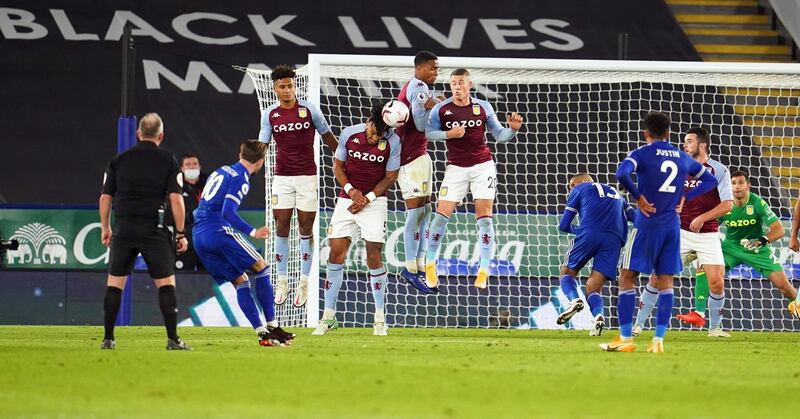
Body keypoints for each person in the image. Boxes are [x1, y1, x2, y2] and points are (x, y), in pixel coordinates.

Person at [601, 112, 717, 353]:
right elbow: (709, 181)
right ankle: (658, 341)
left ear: (646, 133)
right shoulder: (681, 156)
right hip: (672, 227)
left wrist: (639, 198)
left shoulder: (641, 153)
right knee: (666, 282)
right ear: (669, 133)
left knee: (627, 276)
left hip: (647, 224)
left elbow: (622, 173)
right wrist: (685, 196)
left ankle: (625, 339)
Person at [424, 68, 523, 290]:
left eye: (461, 83)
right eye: (453, 83)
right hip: (455, 169)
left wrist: (513, 130)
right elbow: (429, 133)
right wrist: (448, 135)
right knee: (440, 217)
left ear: (470, 85)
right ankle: (430, 264)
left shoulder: (483, 107)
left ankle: (484, 269)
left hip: (482, 167)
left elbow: (500, 136)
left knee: (485, 219)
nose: (456, 87)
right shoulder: (442, 109)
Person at [99, 112, 191, 350]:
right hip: (153, 229)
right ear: (161, 135)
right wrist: (180, 233)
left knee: (114, 283)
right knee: (166, 284)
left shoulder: (118, 160)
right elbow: (176, 200)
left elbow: (105, 197)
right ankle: (173, 339)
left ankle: (108, 339)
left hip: (124, 228)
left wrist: (106, 227)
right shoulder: (168, 160)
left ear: (138, 134)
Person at [192, 140, 296, 347]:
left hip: (198, 235)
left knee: (241, 281)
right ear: (260, 161)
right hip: (218, 230)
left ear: (241, 153)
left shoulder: (221, 171)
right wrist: (253, 231)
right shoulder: (242, 178)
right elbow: (227, 212)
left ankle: (262, 333)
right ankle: (273, 326)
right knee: (262, 267)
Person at [632, 127, 733, 337]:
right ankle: (638, 325)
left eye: (689, 141)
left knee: (716, 282)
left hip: (708, 234)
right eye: (684, 141)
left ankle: (715, 329)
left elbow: (727, 205)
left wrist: (703, 218)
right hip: (679, 232)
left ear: (702, 145)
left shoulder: (719, 170)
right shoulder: (678, 167)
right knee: (657, 277)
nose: (684, 145)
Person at [312, 103, 401, 336]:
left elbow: (391, 176)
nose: (373, 139)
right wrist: (352, 192)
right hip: (347, 198)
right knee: (335, 253)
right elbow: (338, 167)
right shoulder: (349, 133)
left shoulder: (393, 141)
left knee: (374, 255)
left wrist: (368, 198)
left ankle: (380, 319)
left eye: (379, 136)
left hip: (375, 202)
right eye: (372, 132)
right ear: (368, 122)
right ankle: (328, 317)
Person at [259, 64, 338, 308]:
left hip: (307, 178)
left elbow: (327, 136)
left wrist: (345, 159)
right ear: (275, 89)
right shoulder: (270, 115)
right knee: (282, 226)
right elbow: (263, 145)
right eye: (282, 87)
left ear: (295, 86)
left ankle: (304, 283)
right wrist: (248, 166)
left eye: (290, 86)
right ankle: (282, 281)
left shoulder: (309, 110)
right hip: (281, 178)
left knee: (306, 228)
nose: (287, 90)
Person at [556, 174, 635, 336]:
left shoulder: (579, 190)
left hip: (589, 233)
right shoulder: (617, 194)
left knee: (567, 273)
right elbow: (636, 218)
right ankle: (598, 316)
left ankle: (574, 300)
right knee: (594, 288)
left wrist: (579, 230)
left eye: (572, 184)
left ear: (585, 181)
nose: (570, 188)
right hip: (615, 240)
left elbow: (563, 226)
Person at [716, 171, 800, 319]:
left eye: (741, 182)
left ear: (748, 185)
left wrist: (762, 240)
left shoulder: (757, 202)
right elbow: (710, 226)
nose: (737, 187)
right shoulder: (724, 204)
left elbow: (779, 230)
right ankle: (703, 316)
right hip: (731, 248)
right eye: (733, 183)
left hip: (757, 249)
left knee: (784, 287)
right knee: (706, 271)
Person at [396, 51, 440, 294]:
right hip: (409, 159)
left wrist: (434, 104)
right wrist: (432, 107)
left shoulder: (418, 87)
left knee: (425, 210)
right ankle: (410, 269)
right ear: (420, 68)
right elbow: (422, 124)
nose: (436, 72)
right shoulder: (419, 87)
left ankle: (420, 265)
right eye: (433, 68)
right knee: (415, 213)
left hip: (419, 156)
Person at [165, 153, 208, 271]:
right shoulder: (175, 188)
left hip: (207, 242)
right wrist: (192, 216)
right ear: (182, 169)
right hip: (184, 242)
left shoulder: (210, 185)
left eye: (195, 164)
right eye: (188, 164)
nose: (192, 167)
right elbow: (169, 216)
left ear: (200, 167)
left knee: (211, 282)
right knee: (181, 281)